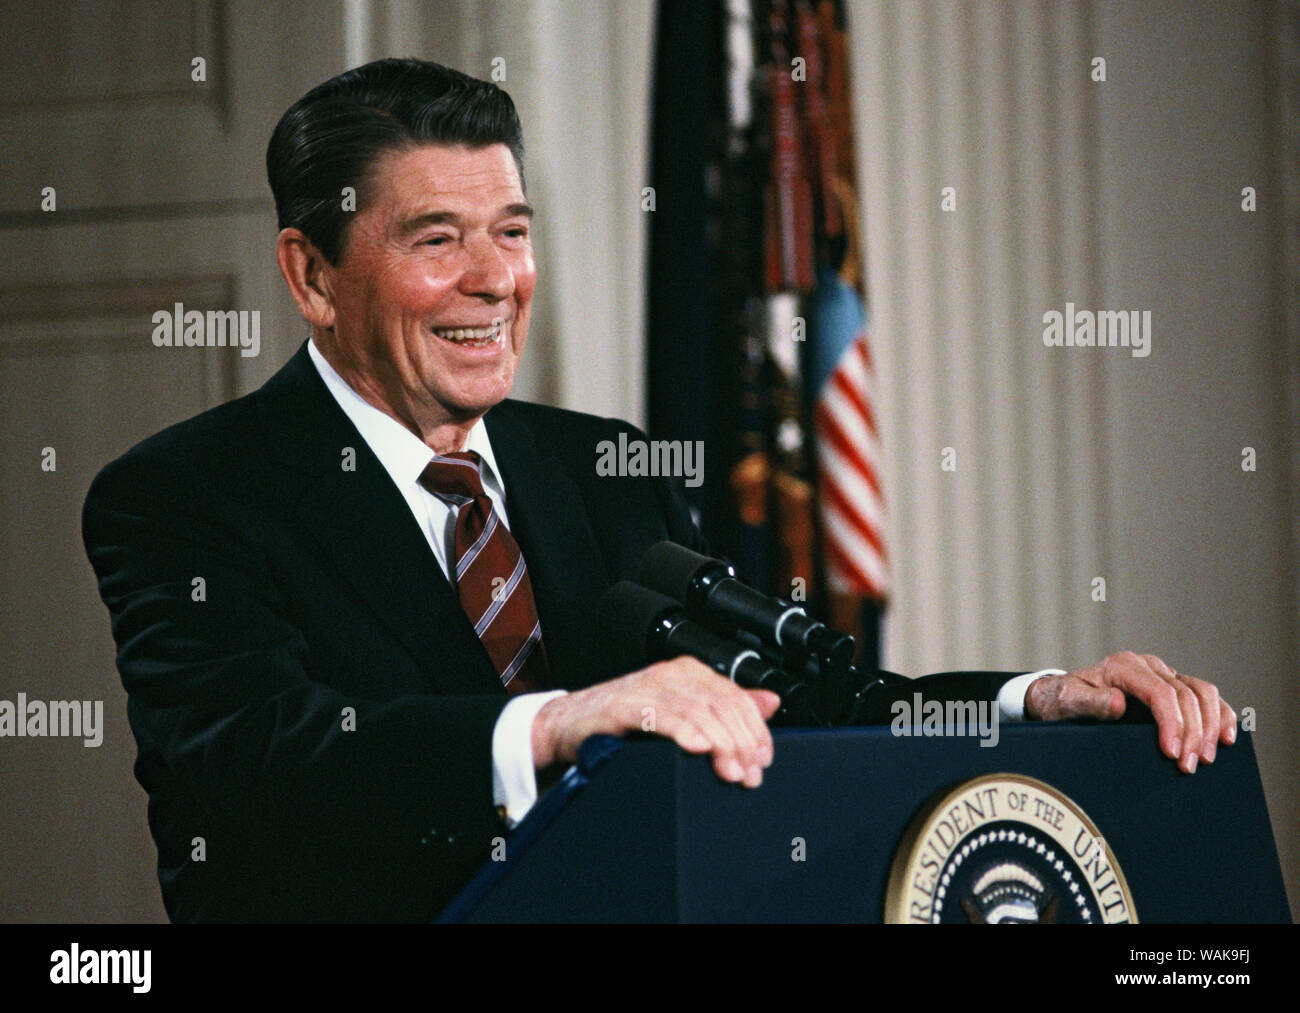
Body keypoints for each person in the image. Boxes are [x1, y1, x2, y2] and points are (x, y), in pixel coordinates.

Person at [82, 58, 1235, 923]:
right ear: (311, 274)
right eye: (438, 238)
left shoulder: (600, 466)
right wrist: (560, 723)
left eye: (514, 231)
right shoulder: (185, 496)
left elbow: (804, 703)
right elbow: (260, 766)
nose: (495, 281)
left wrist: (1035, 703)